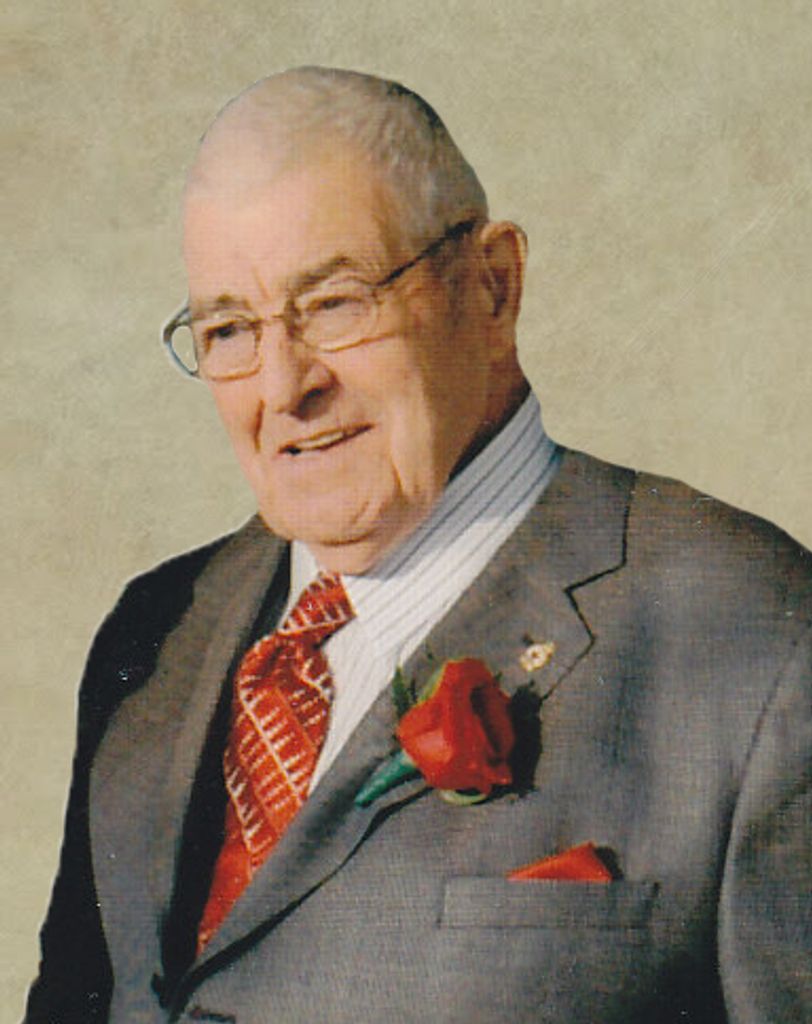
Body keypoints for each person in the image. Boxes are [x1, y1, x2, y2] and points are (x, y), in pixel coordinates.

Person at [25, 66, 811, 1024]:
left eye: (334, 303)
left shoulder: (761, 640)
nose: (282, 386)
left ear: (493, 287)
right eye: (229, 329)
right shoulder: (155, 633)